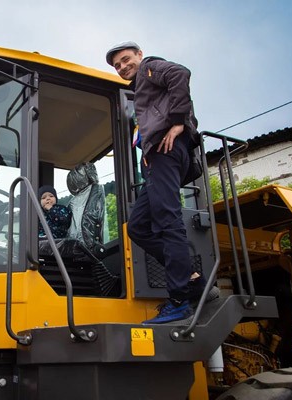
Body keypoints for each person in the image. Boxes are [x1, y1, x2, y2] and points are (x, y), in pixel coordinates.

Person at [106, 41, 216, 324]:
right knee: (138, 227)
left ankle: (179, 301)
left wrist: (178, 122)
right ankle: (194, 280)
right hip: (156, 157)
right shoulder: (141, 88)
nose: (122, 67)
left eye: (126, 59)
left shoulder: (150, 68)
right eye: (117, 65)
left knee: (168, 220)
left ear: (139, 55)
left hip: (168, 151)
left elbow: (180, 73)